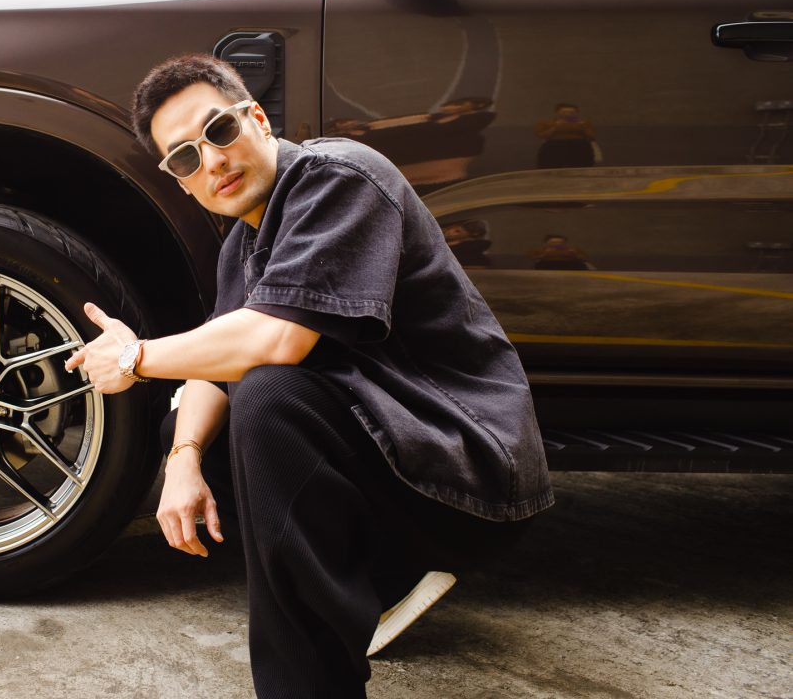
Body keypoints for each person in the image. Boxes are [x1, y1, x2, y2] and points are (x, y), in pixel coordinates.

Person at [64, 54, 553, 698]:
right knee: (192, 426)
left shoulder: (339, 178)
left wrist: (134, 359)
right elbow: (213, 369)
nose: (211, 162)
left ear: (258, 119)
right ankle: (381, 578)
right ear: (180, 182)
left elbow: (277, 340)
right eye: (184, 158)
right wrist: (181, 461)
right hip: (396, 456)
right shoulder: (243, 245)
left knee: (269, 394)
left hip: (468, 471)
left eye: (218, 131)